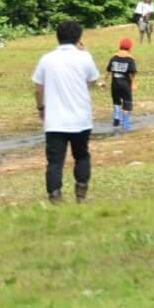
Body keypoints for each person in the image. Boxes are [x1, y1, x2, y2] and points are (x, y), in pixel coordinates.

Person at [32, 20, 100, 204]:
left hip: (55, 120)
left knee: (55, 161)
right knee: (82, 155)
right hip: (80, 118)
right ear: (79, 38)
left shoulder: (47, 59)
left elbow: (38, 88)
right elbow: (92, 80)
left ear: (58, 37)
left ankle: (55, 196)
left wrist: (41, 108)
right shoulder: (84, 58)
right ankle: (81, 193)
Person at [104, 37, 137, 132]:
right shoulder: (130, 59)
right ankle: (125, 123)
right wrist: (133, 83)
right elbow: (132, 73)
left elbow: (108, 71)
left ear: (120, 46)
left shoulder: (114, 57)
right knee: (127, 102)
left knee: (116, 100)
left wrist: (104, 81)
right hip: (125, 84)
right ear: (130, 48)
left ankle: (116, 118)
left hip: (115, 84)